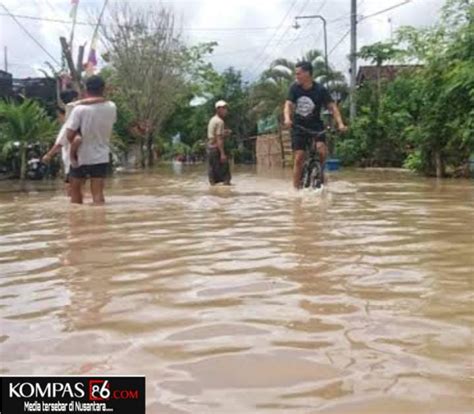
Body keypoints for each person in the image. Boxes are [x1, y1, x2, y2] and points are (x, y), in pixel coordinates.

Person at [283, 61, 347, 189]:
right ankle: (296, 192)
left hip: (316, 126)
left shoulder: (320, 90)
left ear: (307, 73)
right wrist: (287, 119)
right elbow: (288, 105)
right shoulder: (294, 88)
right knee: (299, 158)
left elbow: (332, 107)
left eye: (298, 74)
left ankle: (321, 176)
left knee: (322, 152)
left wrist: (340, 123)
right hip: (299, 126)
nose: (296, 76)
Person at [66, 75, 116, 205]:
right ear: (103, 89)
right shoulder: (111, 107)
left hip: (80, 156)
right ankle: (100, 221)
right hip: (101, 156)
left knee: (76, 191)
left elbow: (69, 134)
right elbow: (103, 101)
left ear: (86, 90)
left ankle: (77, 222)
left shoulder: (79, 109)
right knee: (98, 193)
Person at [42, 90, 79, 195]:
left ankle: (73, 210)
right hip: (82, 162)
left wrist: (48, 155)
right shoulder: (81, 122)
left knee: (72, 192)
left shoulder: (68, 125)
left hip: (72, 164)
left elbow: (59, 144)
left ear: (61, 114)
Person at [207, 100, 232, 186]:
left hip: (211, 148)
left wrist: (224, 132)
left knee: (213, 174)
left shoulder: (213, 119)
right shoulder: (220, 121)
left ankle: (214, 195)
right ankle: (226, 196)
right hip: (217, 148)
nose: (226, 110)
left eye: (226, 108)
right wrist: (222, 154)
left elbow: (214, 134)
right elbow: (219, 138)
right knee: (226, 177)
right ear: (218, 109)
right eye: (223, 108)